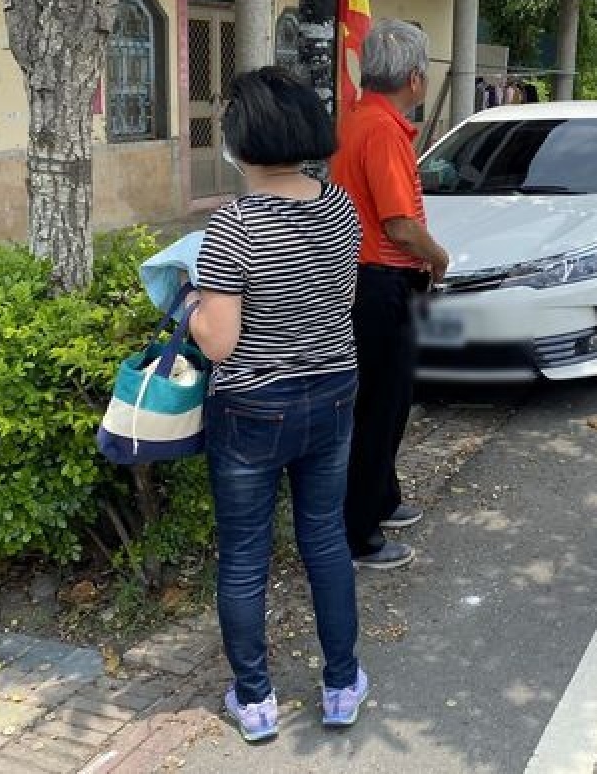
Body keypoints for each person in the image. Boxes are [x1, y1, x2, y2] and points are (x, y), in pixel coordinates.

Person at [185, 67, 368, 741]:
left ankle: (255, 702)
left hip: (253, 408)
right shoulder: (338, 204)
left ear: (241, 141)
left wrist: (191, 303)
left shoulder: (231, 225)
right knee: (324, 539)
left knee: (243, 557)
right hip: (333, 394)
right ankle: (342, 686)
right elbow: (338, 303)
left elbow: (220, 342)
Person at [330, 19, 450, 570]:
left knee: (382, 400)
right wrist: (439, 257)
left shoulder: (359, 119)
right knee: (381, 406)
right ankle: (360, 533)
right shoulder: (381, 130)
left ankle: (383, 498)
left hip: (359, 279)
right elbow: (400, 224)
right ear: (414, 78)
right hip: (377, 283)